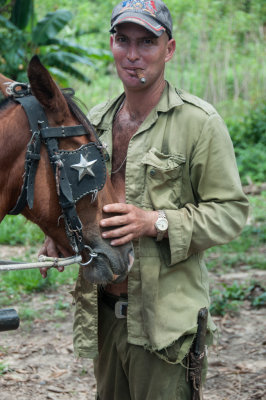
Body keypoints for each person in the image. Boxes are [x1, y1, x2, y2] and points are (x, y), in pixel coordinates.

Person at [40, 1, 249, 399]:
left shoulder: (198, 123)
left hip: (164, 328)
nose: (133, 55)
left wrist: (155, 222)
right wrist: (62, 236)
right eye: (123, 40)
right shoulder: (93, 122)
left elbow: (231, 212)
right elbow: (89, 208)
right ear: (112, 44)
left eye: (147, 42)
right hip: (105, 318)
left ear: (168, 49)